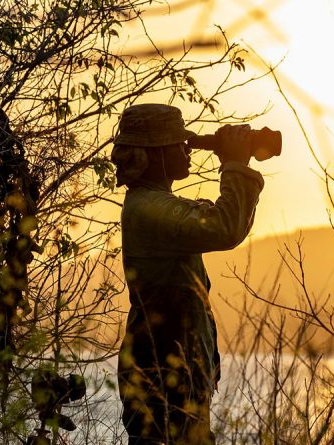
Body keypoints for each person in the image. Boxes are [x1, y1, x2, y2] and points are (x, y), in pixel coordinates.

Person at [110, 103, 264, 444]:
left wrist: (237, 165)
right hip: (162, 378)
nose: (187, 147)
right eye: (178, 143)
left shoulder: (155, 204)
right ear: (156, 154)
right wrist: (235, 164)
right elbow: (225, 228)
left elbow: (229, 223)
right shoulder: (150, 209)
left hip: (173, 376)